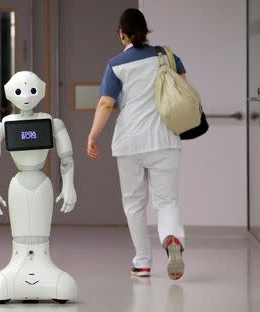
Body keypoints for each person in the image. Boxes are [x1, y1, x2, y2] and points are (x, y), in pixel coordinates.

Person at [87, 8, 186, 280]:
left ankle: (142, 262)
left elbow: (107, 102)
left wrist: (93, 135)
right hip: (165, 140)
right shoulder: (168, 57)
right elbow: (181, 91)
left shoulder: (116, 64)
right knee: (166, 200)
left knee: (134, 204)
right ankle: (172, 240)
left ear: (122, 33)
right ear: (145, 30)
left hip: (129, 143)